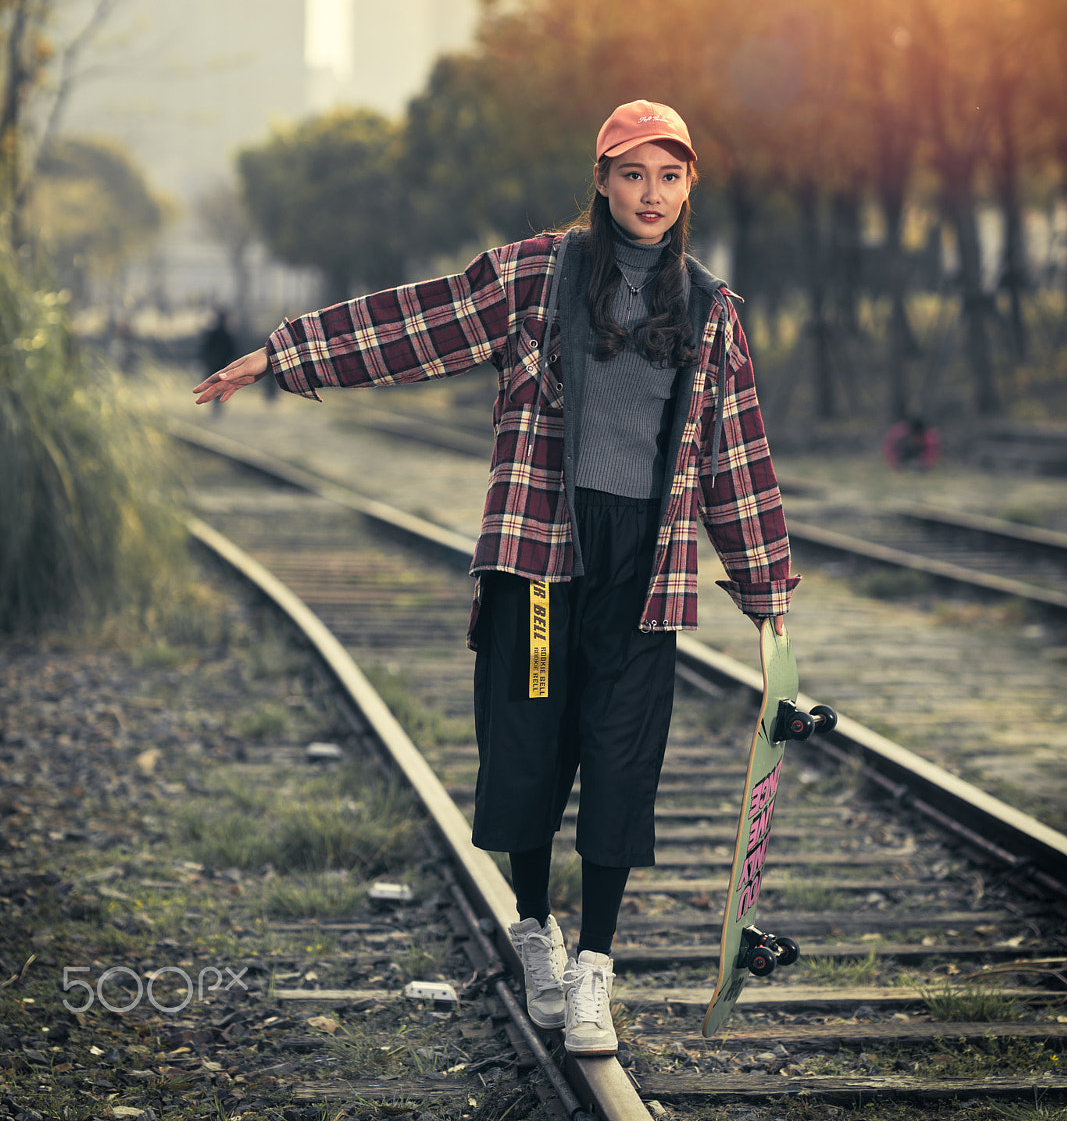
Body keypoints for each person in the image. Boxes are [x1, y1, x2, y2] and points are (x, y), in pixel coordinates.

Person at [193, 99, 799, 1056]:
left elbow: (736, 454)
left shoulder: (712, 309)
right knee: (527, 748)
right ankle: (536, 933)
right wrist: (285, 353)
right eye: (632, 173)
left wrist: (765, 596)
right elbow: (418, 324)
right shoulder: (534, 273)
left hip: (642, 574)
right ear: (601, 181)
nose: (651, 194)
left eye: (669, 176)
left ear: (688, 188)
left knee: (621, 764)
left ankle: (595, 968)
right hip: (540, 562)